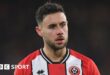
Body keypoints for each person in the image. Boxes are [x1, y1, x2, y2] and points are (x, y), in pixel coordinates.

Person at [14, 2, 100, 75]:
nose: (60, 31)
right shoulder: (24, 68)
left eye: (63, 25)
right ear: (39, 31)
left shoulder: (87, 65)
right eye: (52, 27)